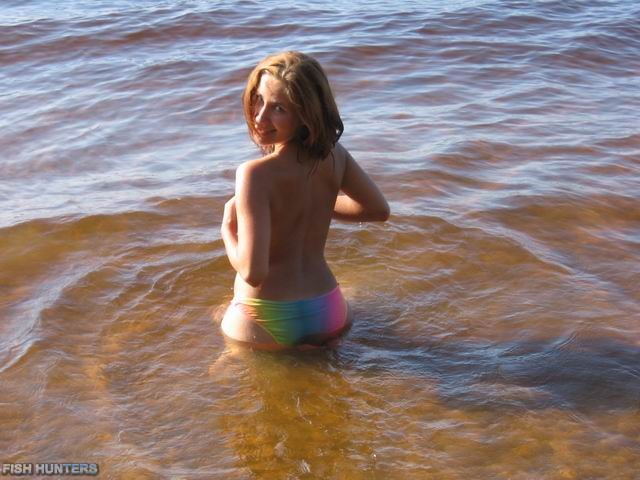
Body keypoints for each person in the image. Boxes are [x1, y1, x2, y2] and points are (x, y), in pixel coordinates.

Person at [220, 51, 389, 350]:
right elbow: (377, 209)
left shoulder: (254, 174)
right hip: (328, 311)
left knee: (224, 346)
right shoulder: (335, 155)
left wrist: (226, 229)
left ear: (306, 114)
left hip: (266, 317)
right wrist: (315, 203)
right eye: (259, 99)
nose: (260, 116)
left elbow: (253, 273)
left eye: (279, 108)